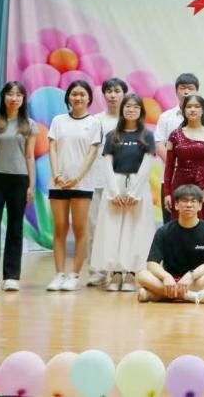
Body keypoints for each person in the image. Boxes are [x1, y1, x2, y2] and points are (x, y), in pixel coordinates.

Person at [89, 93, 157, 292]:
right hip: (115, 187)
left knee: (136, 231)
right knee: (113, 231)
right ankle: (116, 272)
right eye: (128, 106)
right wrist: (114, 191)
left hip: (138, 188)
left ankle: (131, 274)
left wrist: (134, 193)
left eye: (135, 107)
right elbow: (107, 164)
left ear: (141, 111)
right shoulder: (112, 135)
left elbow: (147, 165)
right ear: (122, 109)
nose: (131, 110)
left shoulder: (147, 135)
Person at [0, 81, 35, 292]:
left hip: (19, 180)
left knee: (15, 228)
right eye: (10, 94)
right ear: (3, 97)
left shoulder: (29, 124)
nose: (14, 98)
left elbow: (29, 156)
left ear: (23, 99)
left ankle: (12, 276)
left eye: (18, 94)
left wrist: (31, 185)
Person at [47, 80, 103, 291]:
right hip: (58, 184)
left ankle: (74, 275)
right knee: (59, 228)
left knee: (80, 229)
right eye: (74, 94)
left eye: (82, 94)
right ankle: (59, 274)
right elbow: (52, 147)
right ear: (68, 97)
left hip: (82, 184)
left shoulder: (94, 122)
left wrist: (77, 178)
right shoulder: (58, 120)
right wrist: (56, 174)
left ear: (89, 98)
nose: (78, 98)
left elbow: (92, 152)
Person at [136, 184, 204, 304]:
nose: (189, 205)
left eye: (193, 201)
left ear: (200, 206)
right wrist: (166, 277)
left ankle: (156, 295)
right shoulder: (164, 231)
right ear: (176, 205)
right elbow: (151, 264)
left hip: (195, 280)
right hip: (169, 281)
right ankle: (193, 296)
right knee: (141, 275)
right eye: (184, 201)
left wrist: (191, 275)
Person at [84, 77, 127, 287]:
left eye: (116, 91)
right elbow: (89, 151)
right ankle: (97, 270)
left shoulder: (130, 121)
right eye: (109, 91)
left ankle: (118, 270)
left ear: (124, 94)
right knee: (94, 227)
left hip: (122, 182)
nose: (112, 95)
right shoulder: (95, 121)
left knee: (120, 228)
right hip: (97, 181)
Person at [155, 73, 204, 222]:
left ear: (197, 91)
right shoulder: (166, 117)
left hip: (199, 179)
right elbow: (158, 143)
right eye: (182, 88)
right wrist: (175, 165)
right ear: (176, 91)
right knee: (172, 222)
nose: (186, 92)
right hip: (171, 179)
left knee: (200, 222)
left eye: (190, 88)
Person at [161, 93, 204, 224]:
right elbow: (169, 166)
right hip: (179, 187)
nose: (193, 109)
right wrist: (167, 193)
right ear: (184, 110)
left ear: (203, 110)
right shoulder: (174, 135)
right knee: (179, 226)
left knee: (202, 226)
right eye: (189, 106)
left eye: (196, 106)